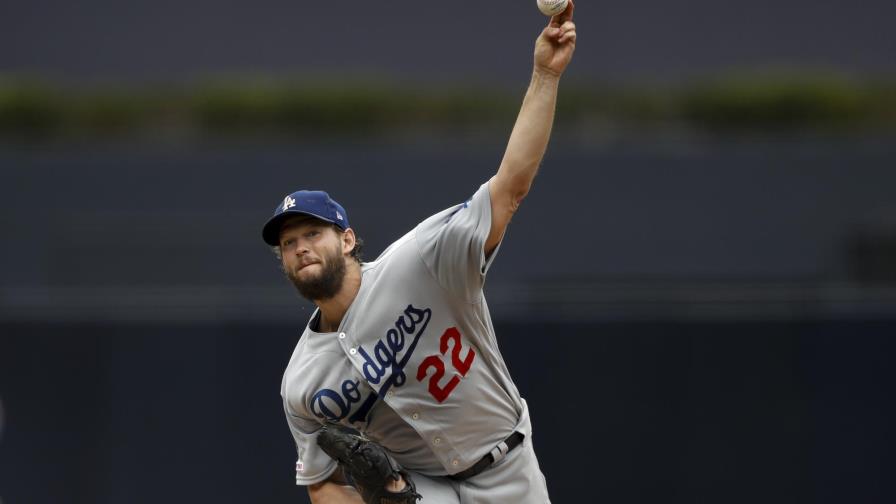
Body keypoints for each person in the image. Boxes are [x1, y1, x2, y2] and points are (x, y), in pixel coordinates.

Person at [262, 3, 576, 503]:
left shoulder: (421, 260)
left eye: (311, 234)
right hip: (422, 492)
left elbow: (510, 186)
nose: (300, 248)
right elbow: (320, 486)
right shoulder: (302, 383)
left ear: (347, 239)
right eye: (288, 243)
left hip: (506, 465)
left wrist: (544, 75)